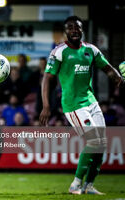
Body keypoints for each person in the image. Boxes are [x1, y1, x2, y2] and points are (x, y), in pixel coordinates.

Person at [39, 16, 124, 195]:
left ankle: (89, 186)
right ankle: (75, 184)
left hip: (91, 101)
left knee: (102, 144)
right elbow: (47, 78)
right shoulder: (59, 52)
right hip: (73, 105)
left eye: (77, 27)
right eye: (70, 28)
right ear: (65, 32)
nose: (74, 31)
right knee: (94, 142)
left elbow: (107, 68)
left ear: (82, 29)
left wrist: (117, 77)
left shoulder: (90, 50)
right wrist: (46, 106)